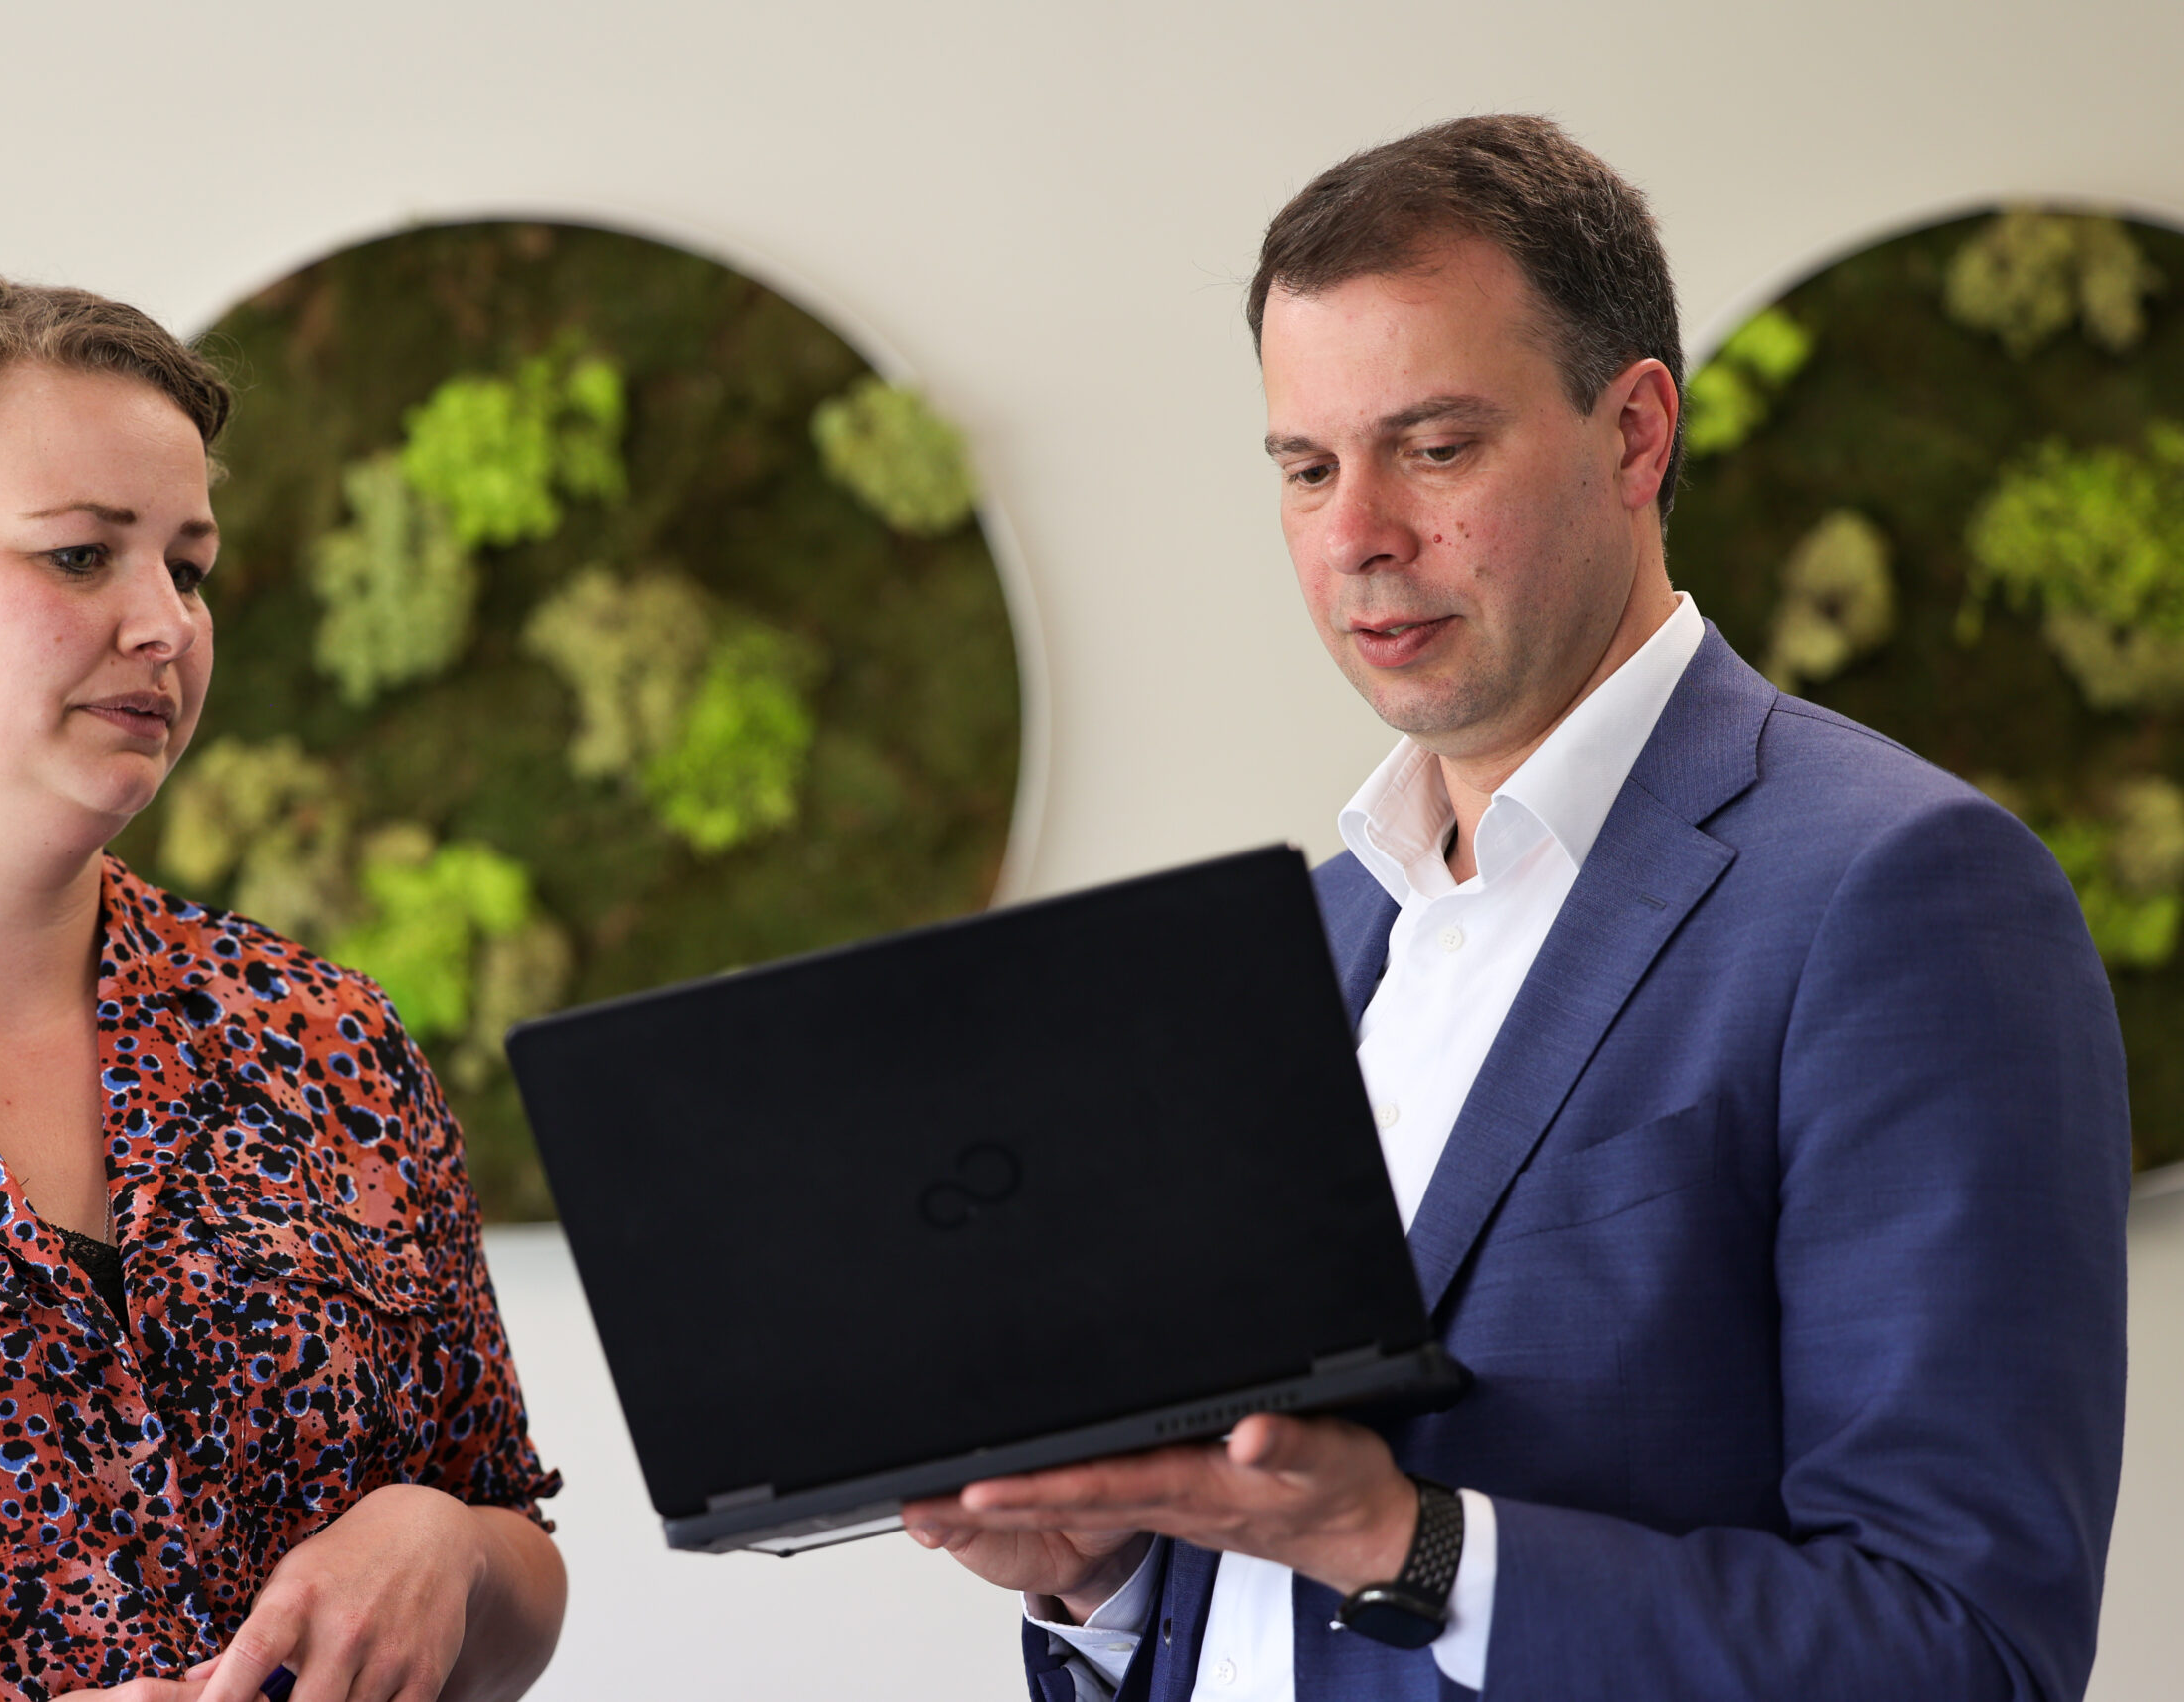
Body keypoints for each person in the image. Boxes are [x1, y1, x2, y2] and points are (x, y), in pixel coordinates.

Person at [906, 115, 2130, 1700]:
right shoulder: (1313, 942)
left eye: (1433, 447)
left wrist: (1408, 1545)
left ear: (1635, 435)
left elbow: (1967, 1652)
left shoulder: (1903, 893)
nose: (1357, 535)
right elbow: (1288, 1602)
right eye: (1307, 467)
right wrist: (1113, 1583)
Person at [0, 271, 566, 1702]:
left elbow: (513, 1557)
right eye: (80, 556)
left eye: (187, 567)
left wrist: (446, 1545)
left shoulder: (328, 1041)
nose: (165, 624)